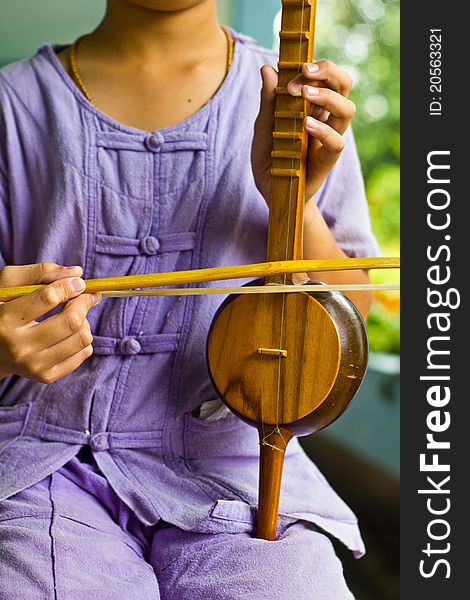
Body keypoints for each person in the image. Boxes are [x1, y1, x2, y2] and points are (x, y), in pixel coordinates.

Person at [0, 0, 379, 598]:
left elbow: (350, 320)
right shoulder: (12, 103)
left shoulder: (298, 108)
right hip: (44, 470)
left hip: (245, 472)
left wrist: (298, 206)